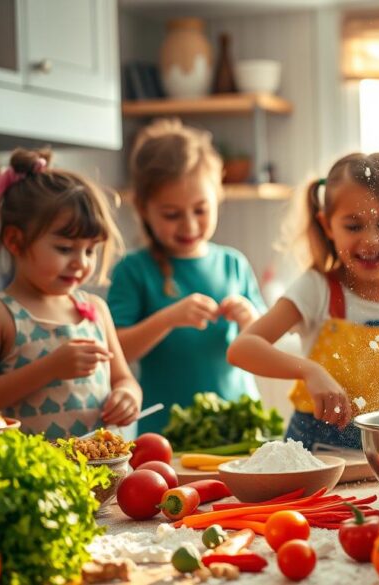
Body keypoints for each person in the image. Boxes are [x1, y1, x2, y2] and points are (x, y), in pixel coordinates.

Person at [228, 153, 379, 449]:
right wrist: (309, 370)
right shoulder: (315, 290)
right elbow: (242, 349)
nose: (371, 240)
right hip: (315, 460)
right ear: (327, 225)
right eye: (354, 226)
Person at [0, 148, 141, 439]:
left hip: (101, 475)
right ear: (15, 240)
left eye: (90, 249)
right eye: (65, 249)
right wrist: (49, 368)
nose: (82, 262)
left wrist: (128, 396)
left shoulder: (95, 309)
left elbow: (123, 378)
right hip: (32, 478)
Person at [108, 119, 265, 434]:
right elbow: (116, 352)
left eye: (200, 210)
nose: (190, 225)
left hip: (242, 428)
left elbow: (265, 344)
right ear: (142, 208)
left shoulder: (233, 264)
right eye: (171, 214)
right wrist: (167, 318)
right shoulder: (133, 270)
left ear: (217, 197)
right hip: (165, 434)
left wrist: (251, 320)